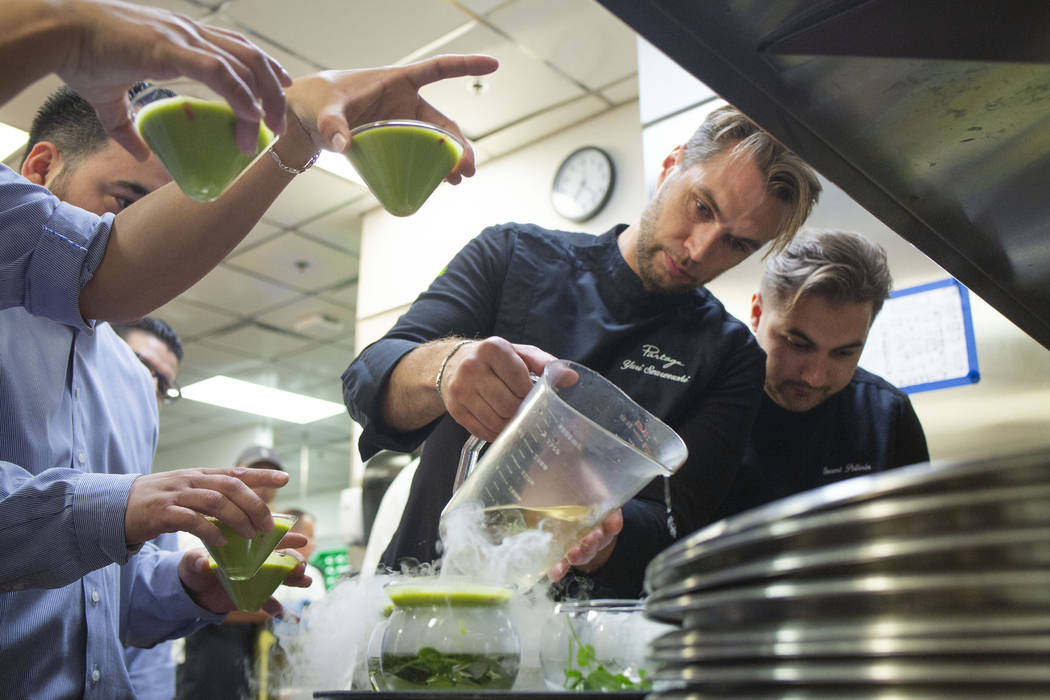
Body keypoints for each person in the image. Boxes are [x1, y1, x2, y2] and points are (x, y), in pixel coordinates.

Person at [0, 2, 497, 696]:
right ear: (41, 167)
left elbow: (103, 606)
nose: (154, 231)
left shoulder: (125, 380)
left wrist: (188, 585)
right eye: (125, 199)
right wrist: (117, 507)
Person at [342, 105, 822, 597]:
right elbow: (366, 379)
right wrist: (443, 368)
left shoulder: (729, 354)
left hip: (571, 649)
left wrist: (602, 539)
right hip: (410, 605)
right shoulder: (511, 256)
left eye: (737, 245)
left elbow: (681, 527)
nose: (700, 250)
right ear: (672, 164)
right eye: (702, 208)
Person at [720, 229, 930, 515]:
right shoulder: (708, 397)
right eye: (797, 344)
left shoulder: (888, 415)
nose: (814, 377)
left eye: (844, 353)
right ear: (757, 314)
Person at [175, 447, 292, 700]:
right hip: (210, 649)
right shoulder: (204, 524)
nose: (263, 484)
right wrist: (260, 609)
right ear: (237, 475)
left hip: (250, 650)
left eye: (271, 475)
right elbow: (193, 593)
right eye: (256, 473)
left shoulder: (274, 534)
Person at [116, 317, 185, 700]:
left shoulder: (158, 506)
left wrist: (194, 586)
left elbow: (148, 658)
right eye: (140, 365)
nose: (149, 385)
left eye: (163, 384)